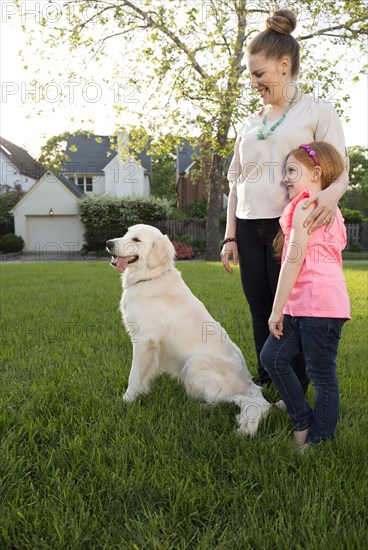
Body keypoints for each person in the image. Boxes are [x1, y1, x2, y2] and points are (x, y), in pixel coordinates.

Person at [221, 9, 349, 386]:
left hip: (291, 227)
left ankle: (295, 386)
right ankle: (267, 381)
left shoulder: (317, 111)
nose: (254, 83)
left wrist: (330, 199)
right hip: (248, 224)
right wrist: (230, 234)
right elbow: (234, 179)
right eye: (250, 76)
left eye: (259, 75)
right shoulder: (251, 121)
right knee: (259, 308)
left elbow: (340, 170)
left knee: (292, 312)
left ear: (284, 65)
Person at [260, 141, 350, 449]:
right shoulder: (326, 208)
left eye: (291, 171)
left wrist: (276, 309)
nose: (285, 178)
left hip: (321, 306)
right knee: (272, 356)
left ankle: (317, 442)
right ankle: (301, 419)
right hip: (305, 304)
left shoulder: (305, 204)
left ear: (316, 173)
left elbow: (294, 257)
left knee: (321, 376)